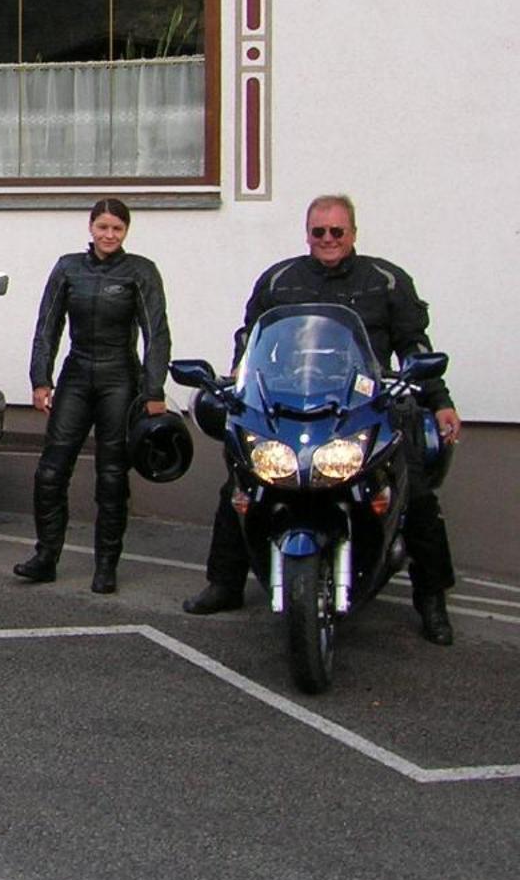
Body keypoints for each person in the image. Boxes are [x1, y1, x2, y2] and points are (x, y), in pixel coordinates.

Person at [183, 194, 464, 643]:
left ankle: (431, 600)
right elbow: (251, 341)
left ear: (353, 232)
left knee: (417, 495)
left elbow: (415, 344)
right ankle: (224, 582)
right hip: (291, 407)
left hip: (369, 406)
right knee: (240, 483)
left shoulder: (386, 281)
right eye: (319, 231)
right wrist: (237, 380)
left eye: (337, 231)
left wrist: (439, 398)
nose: (328, 239)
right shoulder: (280, 279)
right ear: (307, 233)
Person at [12, 198, 171, 593]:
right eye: (103, 227)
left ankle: (106, 567)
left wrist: (153, 389)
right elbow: (47, 326)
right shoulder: (68, 268)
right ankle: (46, 557)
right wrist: (40, 379)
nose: (109, 235)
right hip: (77, 375)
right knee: (51, 470)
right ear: (91, 228)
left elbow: (157, 334)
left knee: (112, 476)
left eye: (117, 229)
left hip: (120, 378)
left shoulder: (141, 271)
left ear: (126, 232)